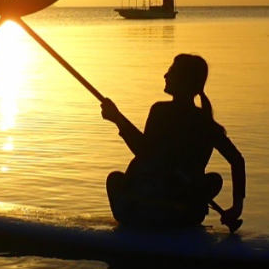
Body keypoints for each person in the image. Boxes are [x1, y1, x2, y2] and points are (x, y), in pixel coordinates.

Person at [100, 53, 246, 231]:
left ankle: (151, 217)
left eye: (172, 72)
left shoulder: (160, 112)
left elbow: (144, 152)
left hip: (143, 212)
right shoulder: (207, 123)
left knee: (114, 179)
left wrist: (117, 119)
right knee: (214, 180)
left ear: (185, 81)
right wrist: (237, 207)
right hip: (184, 215)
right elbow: (237, 161)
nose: (166, 75)